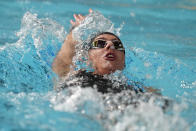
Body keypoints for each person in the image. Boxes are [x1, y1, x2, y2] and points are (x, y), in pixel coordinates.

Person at [52, 9, 159, 94]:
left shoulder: (137, 89)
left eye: (117, 45)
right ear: (88, 57)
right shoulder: (75, 77)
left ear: (124, 62)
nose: (110, 45)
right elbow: (63, 64)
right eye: (100, 43)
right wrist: (75, 31)